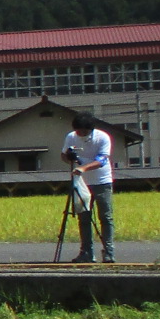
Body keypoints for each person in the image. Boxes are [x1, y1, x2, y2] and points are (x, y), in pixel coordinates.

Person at [61, 111, 115, 263]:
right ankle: (86, 252)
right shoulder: (71, 136)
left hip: (102, 181)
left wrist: (83, 168)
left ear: (91, 129)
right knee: (83, 217)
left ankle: (108, 252)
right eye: (79, 131)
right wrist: (69, 158)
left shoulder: (102, 137)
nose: (81, 134)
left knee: (105, 217)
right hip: (82, 183)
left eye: (84, 131)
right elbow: (63, 154)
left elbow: (102, 160)